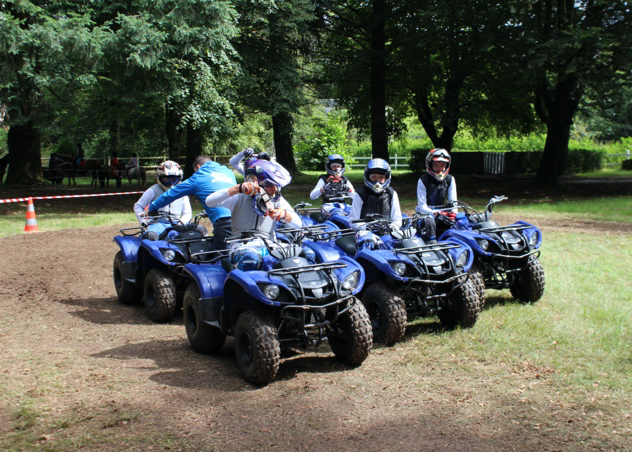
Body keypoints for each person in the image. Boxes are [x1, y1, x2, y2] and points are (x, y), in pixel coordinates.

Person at [205, 159, 301, 269]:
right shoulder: (239, 197)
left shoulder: (277, 200)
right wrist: (238, 188)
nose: (275, 190)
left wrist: (284, 215)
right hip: (242, 247)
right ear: (256, 182)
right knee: (250, 260)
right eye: (270, 185)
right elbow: (209, 201)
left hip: (271, 245)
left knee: (306, 253)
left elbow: (298, 224)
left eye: (276, 185)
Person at [148, 156, 237, 250]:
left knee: (223, 255)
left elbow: (171, 194)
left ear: (198, 167)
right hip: (245, 217)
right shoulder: (228, 172)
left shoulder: (199, 176)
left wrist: (152, 207)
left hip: (224, 221)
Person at [134, 161, 192, 240]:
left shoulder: (182, 192)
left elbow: (187, 213)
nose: (171, 183)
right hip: (158, 224)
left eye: (174, 179)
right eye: (167, 179)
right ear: (159, 178)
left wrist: (181, 222)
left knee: (198, 232)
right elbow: (138, 206)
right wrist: (144, 221)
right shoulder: (153, 190)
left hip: (178, 223)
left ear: (179, 178)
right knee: (150, 237)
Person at [415, 148, 458, 243]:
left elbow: (454, 203)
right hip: (426, 215)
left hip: (444, 214)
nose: (440, 168)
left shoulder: (450, 179)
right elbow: (421, 206)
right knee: (429, 221)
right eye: (436, 165)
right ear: (430, 165)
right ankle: (432, 244)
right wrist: (436, 213)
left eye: (443, 165)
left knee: (462, 220)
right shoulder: (423, 180)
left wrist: (453, 214)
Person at [349, 158, 402, 231]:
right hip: (365, 233)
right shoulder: (360, 194)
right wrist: (366, 227)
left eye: (381, 177)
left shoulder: (391, 193)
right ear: (368, 177)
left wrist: (392, 227)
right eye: (374, 177)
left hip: (387, 232)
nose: (377, 180)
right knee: (369, 242)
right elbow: (352, 221)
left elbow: (397, 219)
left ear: (386, 178)